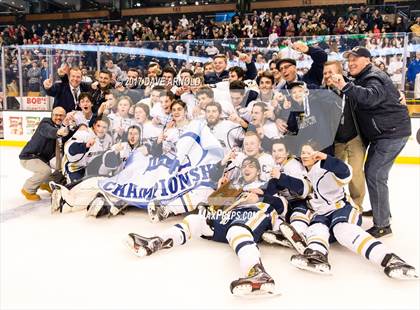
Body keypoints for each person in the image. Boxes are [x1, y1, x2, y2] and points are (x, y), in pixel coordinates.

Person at [125, 157, 287, 296]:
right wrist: (221, 190)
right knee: (196, 220)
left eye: (251, 166)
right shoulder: (235, 185)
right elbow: (213, 205)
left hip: (255, 214)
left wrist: (260, 198)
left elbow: (282, 206)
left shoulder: (268, 185)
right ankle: (157, 241)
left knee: (237, 230)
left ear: (258, 171)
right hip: (227, 218)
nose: (246, 168)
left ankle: (257, 273)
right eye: (244, 166)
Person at [276, 143, 418, 280]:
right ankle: (317, 256)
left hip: (341, 208)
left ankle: (389, 259)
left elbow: (345, 172)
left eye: (309, 152)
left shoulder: (327, 168)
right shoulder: (304, 172)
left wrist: (327, 159)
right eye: (303, 153)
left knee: (342, 230)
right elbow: (303, 190)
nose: (305, 155)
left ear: (317, 153)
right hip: (320, 213)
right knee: (316, 228)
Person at [330, 46, 412, 238]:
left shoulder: (374, 77)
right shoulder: (363, 77)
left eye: (355, 59)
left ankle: (382, 224)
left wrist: (345, 86)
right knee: (375, 174)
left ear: (368, 60)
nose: (351, 63)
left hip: (391, 134)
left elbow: (371, 97)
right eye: (348, 60)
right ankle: (381, 211)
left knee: (375, 174)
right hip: (384, 133)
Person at [322, 61, 366, 211]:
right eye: (325, 73)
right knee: (336, 176)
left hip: (354, 137)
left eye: (330, 72)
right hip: (336, 141)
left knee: (356, 174)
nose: (327, 75)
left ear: (340, 72)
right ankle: (337, 205)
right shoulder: (322, 93)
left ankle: (357, 206)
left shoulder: (353, 87)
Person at [19, 107, 69, 200]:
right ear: (51, 115)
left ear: (65, 116)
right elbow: (47, 131)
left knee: (64, 165)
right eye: (56, 115)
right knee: (45, 171)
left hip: (44, 158)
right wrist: (57, 132)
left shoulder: (62, 126)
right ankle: (28, 189)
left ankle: (45, 183)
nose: (58, 117)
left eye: (61, 115)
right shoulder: (45, 123)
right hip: (29, 156)